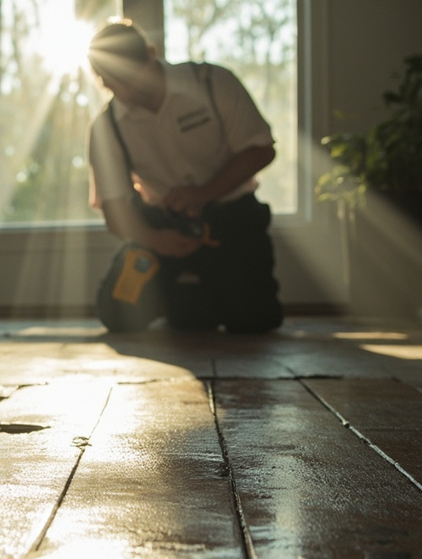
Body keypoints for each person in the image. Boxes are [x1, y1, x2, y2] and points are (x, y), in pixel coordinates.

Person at [86, 19, 284, 333]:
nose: (123, 92)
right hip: (161, 228)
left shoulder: (212, 82)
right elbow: (114, 209)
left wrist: (204, 193)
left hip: (230, 221)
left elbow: (261, 149)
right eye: (112, 84)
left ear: (151, 55)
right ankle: (187, 300)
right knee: (116, 313)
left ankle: (200, 299)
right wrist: (154, 240)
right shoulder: (105, 126)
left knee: (253, 319)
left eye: (130, 79)